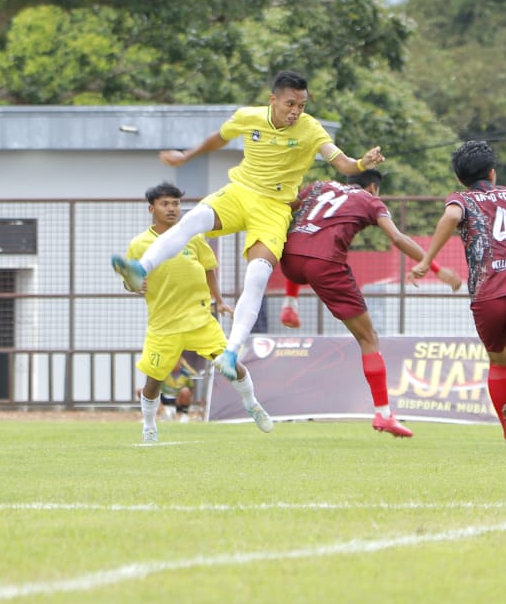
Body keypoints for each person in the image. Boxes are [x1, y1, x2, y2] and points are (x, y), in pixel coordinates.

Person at [111, 70, 385, 386]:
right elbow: (220, 137)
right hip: (239, 193)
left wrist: (363, 163)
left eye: (302, 105)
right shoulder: (249, 117)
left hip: (274, 209)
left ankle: (231, 351)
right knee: (191, 220)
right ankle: (141, 269)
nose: (296, 111)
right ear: (273, 100)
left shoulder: (311, 130)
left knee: (257, 274)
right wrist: (187, 156)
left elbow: (343, 164)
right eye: (290, 103)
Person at [282, 169, 464, 437]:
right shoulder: (370, 200)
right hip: (324, 263)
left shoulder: (319, 187)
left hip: (289, 259)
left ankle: (290, 302)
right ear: (373, 187)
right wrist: (434, 268)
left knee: (305, 246)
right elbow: (398, 238)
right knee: (368, 338)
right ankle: (384, 414)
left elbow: (290, 203)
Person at [410, 141, 506, 453]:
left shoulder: (461, 199)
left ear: (460, 179)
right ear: (492, 172)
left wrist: (426, 262)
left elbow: (450, 217)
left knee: (497, 363)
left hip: (486, 295)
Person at [126, 182, 273, 442]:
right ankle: (149, 425)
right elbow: (130, 279)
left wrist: (219, 300)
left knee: (231, 365)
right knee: (153, 381)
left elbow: (208, 269)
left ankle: (252, 403)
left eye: (175, 203)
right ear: (152, 208)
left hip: (200, 321)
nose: (172, 209)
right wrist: (134, 285)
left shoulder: (193, 237)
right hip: (163, 325)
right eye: (165, 204)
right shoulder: (139, 244)